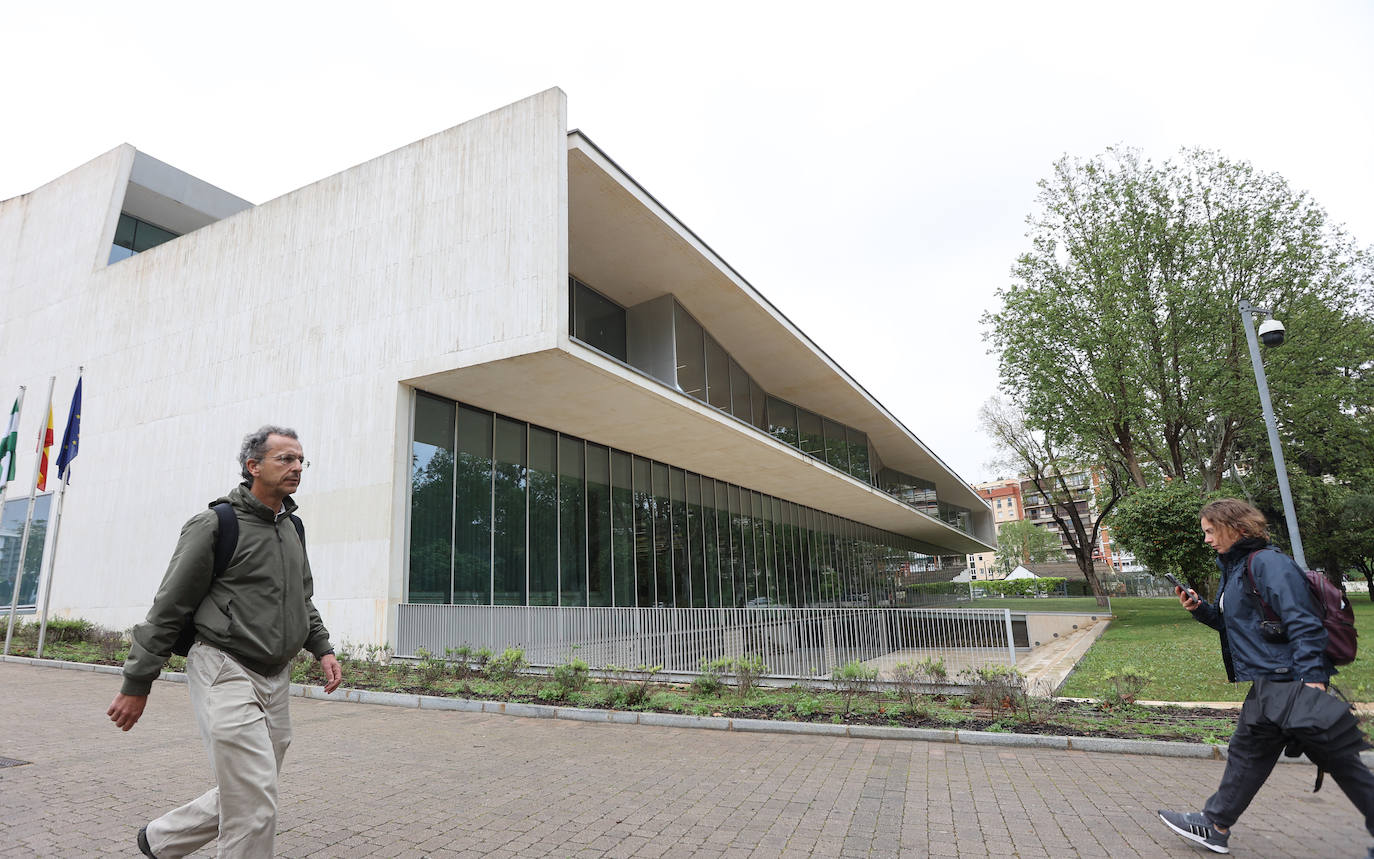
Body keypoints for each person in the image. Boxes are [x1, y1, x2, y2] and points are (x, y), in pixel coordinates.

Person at [107, 426, 342, 858]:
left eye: (300, 460)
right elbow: (169, 607)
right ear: (253, 466)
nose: (297, 468)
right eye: (285, 459)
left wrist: (322, 647)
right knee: (254, 806)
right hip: (224, 667)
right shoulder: (216, 524)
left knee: (253, 786)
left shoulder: (293, 528)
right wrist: (137, 683)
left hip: (276, 676)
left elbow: (300, 598)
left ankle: (162, 839)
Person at [1157, 498, 1374, 855]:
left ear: (1237, 527)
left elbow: (1303, 621)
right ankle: (1215, 824)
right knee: (1255, 752)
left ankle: (1214, 824)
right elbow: (1240, 627)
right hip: (1271, 681)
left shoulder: (1268, 563)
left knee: (1334, 761)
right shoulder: (1237, 567)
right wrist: (1201, 611)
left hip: (1289, 682)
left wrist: (1313, 680)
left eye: (1211, 531)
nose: (1207, 539)